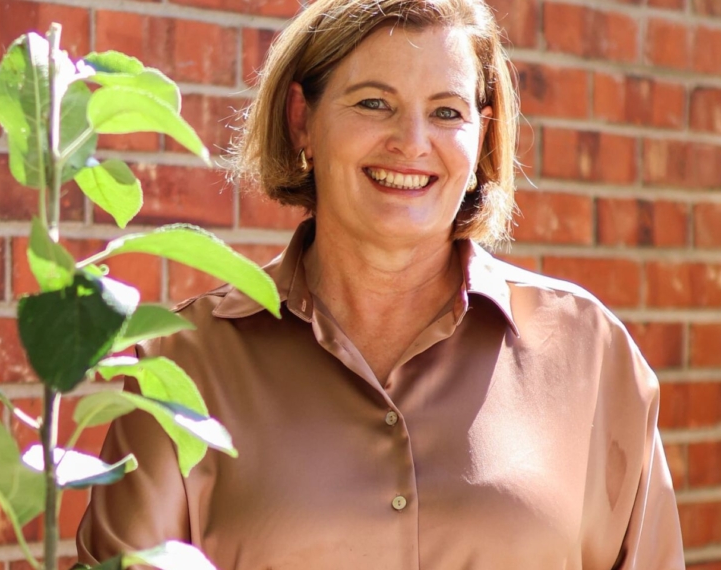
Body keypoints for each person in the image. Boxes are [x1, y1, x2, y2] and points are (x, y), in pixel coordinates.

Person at [76, 0, 686, 567]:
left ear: (479, 138)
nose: (411, 143)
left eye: (447, 112)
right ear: (302, 122)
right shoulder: (183, 366)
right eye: (373, 103)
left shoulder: (588, 354)